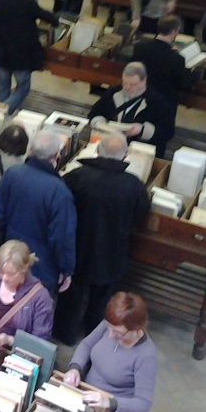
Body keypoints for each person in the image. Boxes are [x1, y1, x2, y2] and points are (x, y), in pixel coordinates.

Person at [54, 134, 151, 345]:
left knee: (72, 292)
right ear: (124, 155)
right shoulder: (133, 185)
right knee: (103, 296)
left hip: (79, 245)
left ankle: (65, 332)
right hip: (112, 250)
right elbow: (141, 214)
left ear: (98, 150)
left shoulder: (77, 176)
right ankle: (93, 333)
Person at [0, 130, 76, 294]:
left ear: (30, 150)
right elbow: (62, 237)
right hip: (42, 268)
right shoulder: (60, 192)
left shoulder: (12, 174)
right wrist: (66, 270)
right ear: (56, 155)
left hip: (10, 259)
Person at [63, 293, 158, 412]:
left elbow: (143, 403)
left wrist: (110, 402)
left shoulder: (146, 355)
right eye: (109, 328)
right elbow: (86, 344)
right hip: (84, 395)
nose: (110, 335)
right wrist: (75, 368)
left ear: (136, 328)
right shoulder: (112, 325)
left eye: (118, 332)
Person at [88, 62, 174, 158]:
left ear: (144, 81)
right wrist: (100, 124)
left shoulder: (158, 102)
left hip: (137, 153)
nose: (127, 87)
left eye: (133, 84)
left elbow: (167, 132)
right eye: (125, 83)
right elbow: (94, 113)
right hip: (110, 149)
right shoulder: (113, 93)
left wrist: (142, 130)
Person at [132, 15, 194, 114]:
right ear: (174, 31)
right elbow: (185, 83)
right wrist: (190, 71)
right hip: (164, 105)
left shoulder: (139, 48)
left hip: (139, 99)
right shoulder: (177, 58)